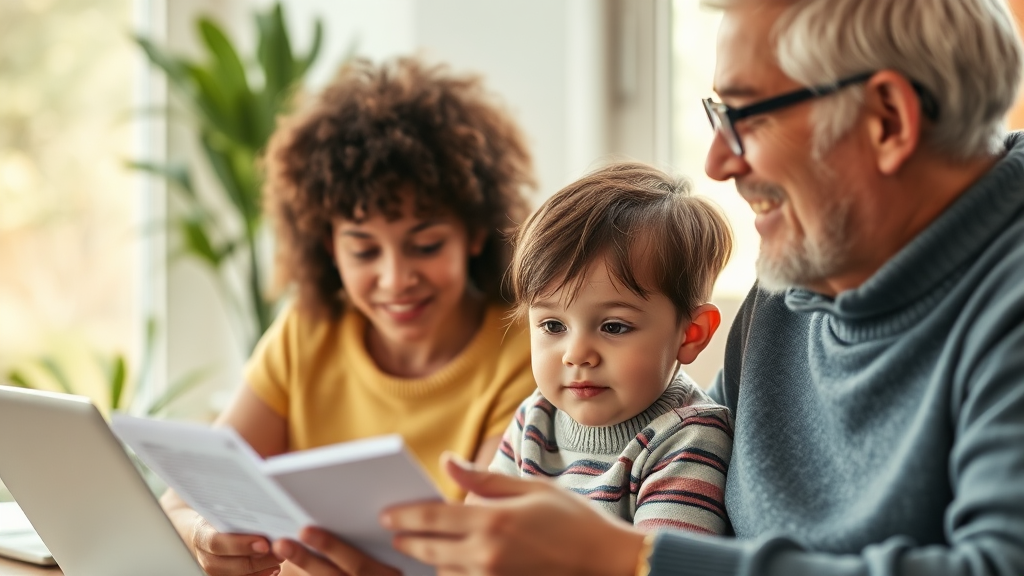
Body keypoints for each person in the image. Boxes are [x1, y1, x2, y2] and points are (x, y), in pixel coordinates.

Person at [273, 0, 1024, 575]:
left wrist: (621, 560)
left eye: (745, 115)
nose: (718, 160)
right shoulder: (790, 283)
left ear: (887, 118)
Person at [160, 56, 538, 576]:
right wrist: (206, 539)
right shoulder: (307, 330)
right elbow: (182, 502)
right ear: (328, 247)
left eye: (425, 245)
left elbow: (479, 555)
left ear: (475, 233)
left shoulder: (527, 348)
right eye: (364, 251)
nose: (396, 278)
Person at [489, 162, 734, 533]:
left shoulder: (688, 438)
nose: (577, 354)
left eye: (614, 326)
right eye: (553, 325)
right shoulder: (535, 418)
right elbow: (481, 529)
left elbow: (658, 563)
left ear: (691, 334)